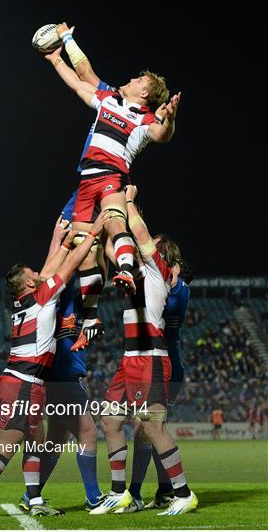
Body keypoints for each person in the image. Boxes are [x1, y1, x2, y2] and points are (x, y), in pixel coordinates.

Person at [0, 210, 109, 518]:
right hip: (22, 383)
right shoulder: (42, 297)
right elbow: (64, 268)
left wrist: (58, 239)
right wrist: (93, 232)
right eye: (34, 273)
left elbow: (50, 267)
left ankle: (35, 500)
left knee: (36, 442)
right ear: (29, 281)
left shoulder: (27, 299)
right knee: (8, 446)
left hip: (29, 382)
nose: (40, 273)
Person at [43, 23, 181, 350]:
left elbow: (162, 135)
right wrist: (58, 55)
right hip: (87, 179)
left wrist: (170, 118)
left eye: (138, 80)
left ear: (144, 93)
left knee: (113, 222)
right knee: (84, 245)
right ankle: (90, 319)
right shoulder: (109, 99)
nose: (131, 79)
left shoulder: (144, 118)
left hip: (112, 175)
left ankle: (126, 269)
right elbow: (82, 78)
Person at [89, 185, 198, 516]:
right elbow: (112, 245)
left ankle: (183, 494)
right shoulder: (135, 269)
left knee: (152, 426)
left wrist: (130, 202)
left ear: (164, 254)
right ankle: (120, 493)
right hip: (130, 358)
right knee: (109, 420)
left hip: (150, 357)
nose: (145, 244)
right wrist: (107, 218)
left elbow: (139, 232)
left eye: (153, 244)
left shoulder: (158, 270)